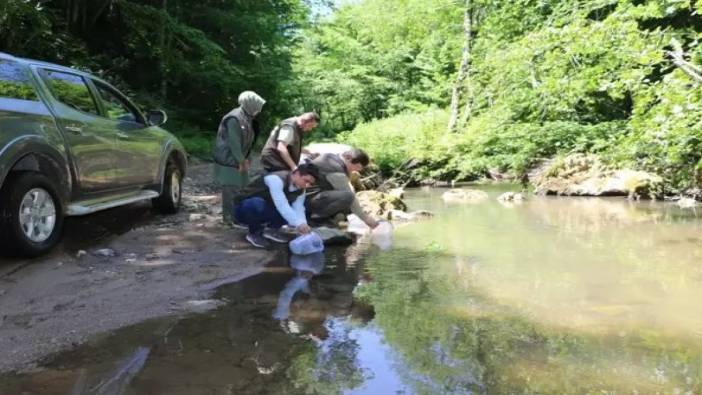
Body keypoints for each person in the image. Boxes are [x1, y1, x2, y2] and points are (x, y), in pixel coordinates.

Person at [233, 163, 320, 248]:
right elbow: (281, 204)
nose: (307, 185)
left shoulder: (301, 189)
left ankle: (272, 229)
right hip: (242, 209)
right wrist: (299, 224)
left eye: (311, 184)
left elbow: (299, 208)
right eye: (306, 181)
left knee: (298, 208)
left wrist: (303, 224)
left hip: (268, 207)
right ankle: (254, 232)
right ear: (297, 174)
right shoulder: (275, 179)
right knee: (256, 203)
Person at [213, 91, 266, 225]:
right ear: (250, 104)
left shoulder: (246, 117)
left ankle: (239, 217)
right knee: (231, 191)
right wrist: (241, 160)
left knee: (243, 189)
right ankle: (229, 220)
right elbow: (234, 142)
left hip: (239, 160)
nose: (259, 111)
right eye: (257, 107)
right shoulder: (234, 118)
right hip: (229, 161)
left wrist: (246, 159)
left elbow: (247, 141)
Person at [306, 148, 380, 229]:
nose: (357, 170)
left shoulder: (330, 157)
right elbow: (350, 197)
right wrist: (367, 219)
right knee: (348, 197)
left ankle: (324, 217)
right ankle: (315, 218)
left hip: (309, 197)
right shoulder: (336, 171)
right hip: (307, 201)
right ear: (348, 158)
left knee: (347, 204)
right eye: (358, 166)